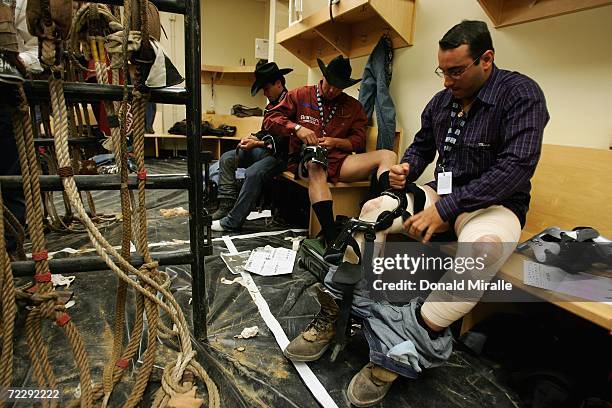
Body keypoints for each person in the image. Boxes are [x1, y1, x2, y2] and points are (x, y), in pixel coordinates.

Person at [282, 20, 549, 407]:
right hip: (440, 195)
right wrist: (405, 168)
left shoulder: (521, 94)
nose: (447, 81)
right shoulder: (443, 102)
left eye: (456, 71)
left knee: (483, 252)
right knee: (373, 211)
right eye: (443, 71)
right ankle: (336, 309)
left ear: (486, 60)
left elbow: (515, 169)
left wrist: (449, 209)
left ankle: (400, 348)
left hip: (494, 205)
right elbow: (422, 147)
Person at [263, 55, 397, 247]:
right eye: (329, 84)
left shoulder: (353, 107)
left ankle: (383, 214)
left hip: (338, 159)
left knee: (388, 155)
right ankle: (330, 234)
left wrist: (336, 142)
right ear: (323, 77)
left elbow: (358, 142)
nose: (333, 90)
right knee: (315, 163)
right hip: (306, 160)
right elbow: (270, 120)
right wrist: (297, 129)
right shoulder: (300, 95)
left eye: (339, 87)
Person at [211, 61, 292, 232]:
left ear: (279, 83)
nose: (265, 92)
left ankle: (232, 221)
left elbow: (286, 141)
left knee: (253, 173)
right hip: (266, 150)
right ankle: (226, 203)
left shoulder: (291, 105)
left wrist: (258, 143)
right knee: (227, 158)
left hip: (282, 156)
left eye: (267, 88)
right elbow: (266, 132)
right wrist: (253, 137)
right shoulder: (271, 106)